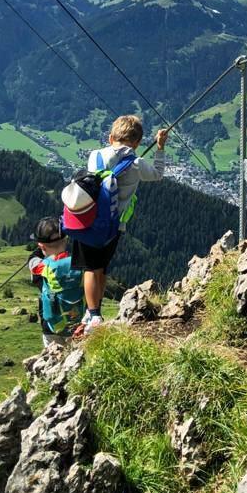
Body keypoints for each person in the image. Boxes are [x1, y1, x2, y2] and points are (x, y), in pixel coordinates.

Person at [75, 116, 169, 333]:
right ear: (136, 143)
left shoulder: (94, 155)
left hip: (87, 220)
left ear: (110, 137)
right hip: (114, 226)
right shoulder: (136, 164)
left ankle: (92, 314)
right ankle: (95, 313)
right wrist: (160, 147)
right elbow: (157, 175)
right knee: (101, 268)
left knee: (90, 269)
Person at [28, 218, 85, 347]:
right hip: (79, 324)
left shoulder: (41, 267)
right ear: (66, 240)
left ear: (41, 245)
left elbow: (32, 259)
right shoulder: (78, 262)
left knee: (55, 361)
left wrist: (40, 249)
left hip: (51, 328)